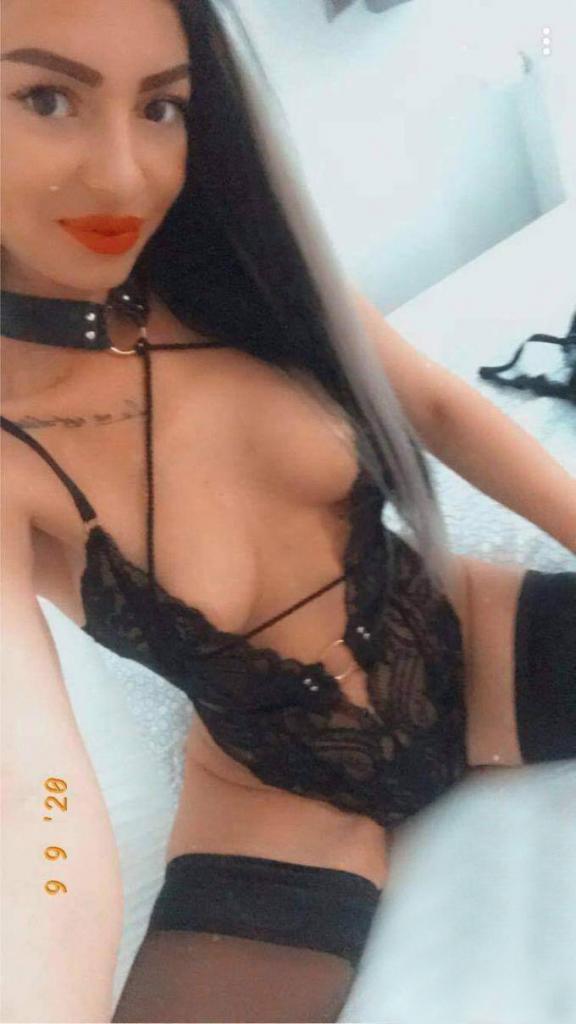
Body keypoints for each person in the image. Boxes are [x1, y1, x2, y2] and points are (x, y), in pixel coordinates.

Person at [1, 1, 574, 1021]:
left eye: (162, 107)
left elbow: (441, 408)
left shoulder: (243, 271)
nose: (125, 176)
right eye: (47, 98)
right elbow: (40, 800)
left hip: (469, 644)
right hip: (275, 799)